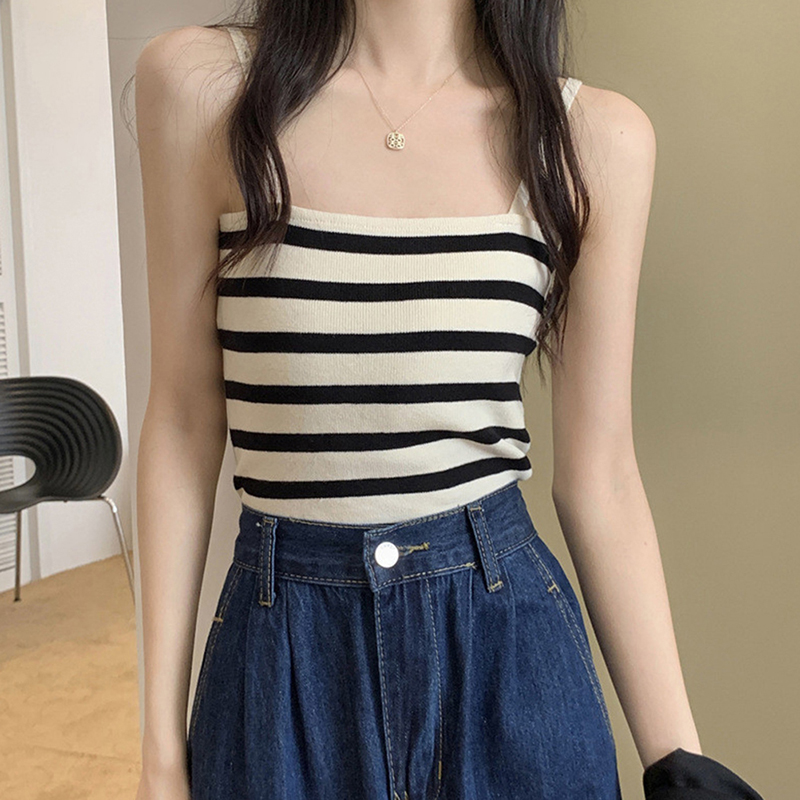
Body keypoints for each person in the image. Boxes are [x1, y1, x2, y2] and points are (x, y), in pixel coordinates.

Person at [132, 3, 759, 799]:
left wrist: (683, 767)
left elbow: (601, 478)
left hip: (506, 656)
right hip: (279, 661)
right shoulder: (203, 88)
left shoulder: (590, 138)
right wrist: (160, 755)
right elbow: (183, 424)